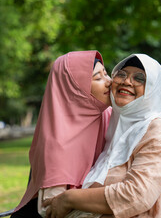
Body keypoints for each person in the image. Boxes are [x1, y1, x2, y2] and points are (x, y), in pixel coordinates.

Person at [44, 54, 161, 218]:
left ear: (153, 90)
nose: (126, 81)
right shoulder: (114, 130)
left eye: (139, 78)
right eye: (121, 74)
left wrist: (68, 199)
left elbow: (136, 196)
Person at [11, 51, 113, 218]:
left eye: (106, 73)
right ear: (76, 90)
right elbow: (52, 210)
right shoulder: (57, 143)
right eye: (98, 78)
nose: (109, 82)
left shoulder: (109, 116)